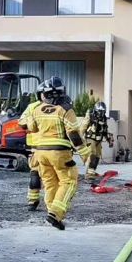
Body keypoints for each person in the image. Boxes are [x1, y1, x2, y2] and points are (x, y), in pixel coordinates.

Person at [20, 77, 84, 230]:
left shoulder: (35, 109)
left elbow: (31, 127)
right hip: (59, 152)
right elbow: (73, 134)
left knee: (50, 183)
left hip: (40, 152)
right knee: (68, 182)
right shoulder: (65, 109)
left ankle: (50, 212)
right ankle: (56, 213)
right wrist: (85, 153)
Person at [18, 88, 44, 211]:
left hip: (41, 147)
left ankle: (34, 202)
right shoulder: (60, 107)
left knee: (37, 175)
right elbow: (22, 121)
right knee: (35, 176)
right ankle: (33, 201)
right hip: (41, 147)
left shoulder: (33, 107)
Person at [78, 101, 112, 181]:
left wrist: (108, 140)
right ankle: (89, 175)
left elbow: (105, 130)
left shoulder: (104, 118)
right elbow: (83, 127)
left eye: (103, 112)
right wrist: (79, 138)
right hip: (90, 139)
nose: (101, 113)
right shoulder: (90, 116)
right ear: (96, 110)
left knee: (97, 156)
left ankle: (92, 172)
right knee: (92, 155)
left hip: (98, 140)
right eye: (100, 111)